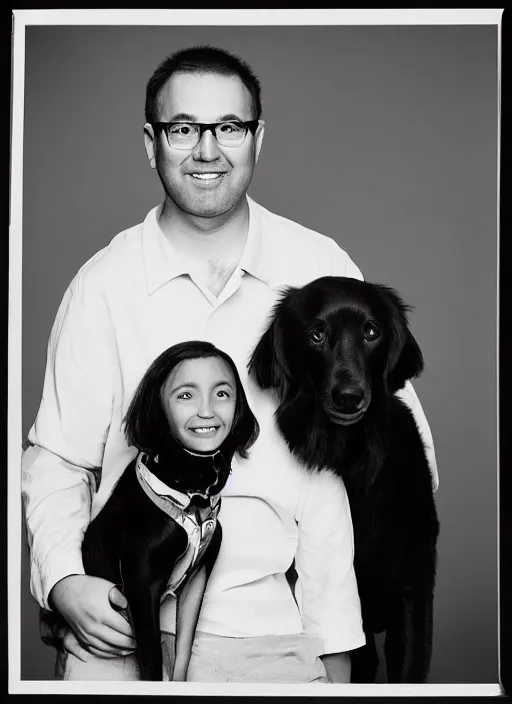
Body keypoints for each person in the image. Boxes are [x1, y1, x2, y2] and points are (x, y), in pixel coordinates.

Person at [22, 45, 438, 683]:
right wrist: (64, 580)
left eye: (230, 127)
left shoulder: (316, 265)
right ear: (150, 140)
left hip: (282, 629)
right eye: (184, 128)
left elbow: (395, 423)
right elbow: (59, 458)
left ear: (257, 137)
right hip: (124, 622)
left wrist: (357, 622)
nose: (208, 150)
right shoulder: (103, 284)